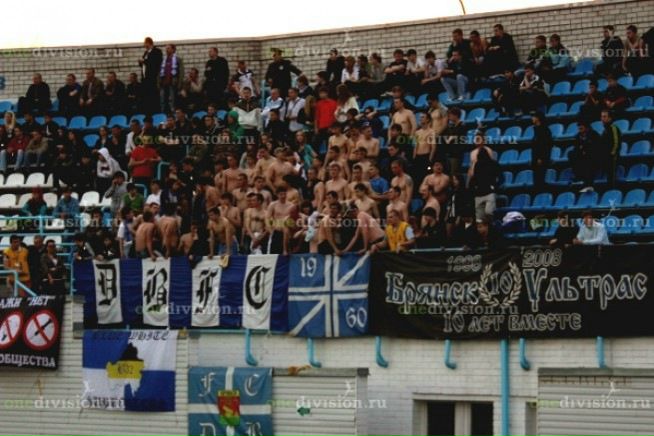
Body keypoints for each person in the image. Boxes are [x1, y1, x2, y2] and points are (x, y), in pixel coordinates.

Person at [469, 148, 500, 221]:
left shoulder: (494, 164)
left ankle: (490, 225)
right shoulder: (477, 165)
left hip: (490, 192)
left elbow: (499, 176)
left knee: (489, 212)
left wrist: (494, 187)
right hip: (478, 193)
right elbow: (475, 177)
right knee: (479, 218)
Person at [570, 121, 601, 191]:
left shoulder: (594, 134)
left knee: (588, 157)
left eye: (581, 128)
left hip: (594, 157)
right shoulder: (578, 136)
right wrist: (581, 150)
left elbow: (598, 147)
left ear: (587, 128)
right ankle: (578, 175)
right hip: (582, 155)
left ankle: (588, 182)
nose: (580, 130)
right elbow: (576, 148)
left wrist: (585, 149)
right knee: (571, 154)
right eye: (579, 129)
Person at [139, 37, 163, 114]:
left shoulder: (157, 51)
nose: (144, 45)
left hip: (153, 79)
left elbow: (154, 63)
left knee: (153, 96)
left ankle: (155, 111)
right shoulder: (146, 52)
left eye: (145, 43)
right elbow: (143, 63)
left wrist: (144, 61)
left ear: (149, 43)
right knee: (146, 97)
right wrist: (141, 62)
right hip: (145, 79)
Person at [599, 110, 622, 187]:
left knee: (611, 176)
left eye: (604, 117)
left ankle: (612, 189)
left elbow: (617, 143)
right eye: (601, 117)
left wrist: (612, 153)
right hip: (605, 156)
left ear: (610, 118)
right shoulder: (604, 130)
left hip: (612, 156)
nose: (602, 119)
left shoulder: (614, 128)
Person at [531, 111, 552, 190]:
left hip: (541, 158)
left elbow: (545, 145)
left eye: (533, 117)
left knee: (540, 178)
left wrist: (541, 157)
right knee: (536, 180)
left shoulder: (544, 130)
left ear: (538, 118)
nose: (532, 119)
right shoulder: (536, 129)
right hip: (535, 157)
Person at [159, 44, 183, 113]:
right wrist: (158, 82)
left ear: (173, 50)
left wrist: (179, 84)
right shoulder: (163, 60)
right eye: (166, 48)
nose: (166, 50)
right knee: (163, 100)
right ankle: (163, 114)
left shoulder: (178, 60)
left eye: (168, 48)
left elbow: (181, 72)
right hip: (163, 83)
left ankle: (173, 114)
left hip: (173, 83)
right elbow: (159, 71)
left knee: (172, 100)